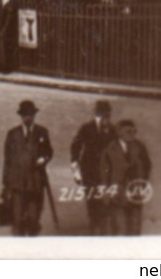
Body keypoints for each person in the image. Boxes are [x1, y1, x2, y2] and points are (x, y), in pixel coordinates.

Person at [2, 100, 55, 236]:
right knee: (18, 219)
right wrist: (6, 183)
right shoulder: (12, 134)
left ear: (34, 116)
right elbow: (7, 159)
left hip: (35, 183)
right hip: (17, 183)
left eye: (31, 115)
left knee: (33, 219)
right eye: (25, 115)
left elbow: (49, 152)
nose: (28, 118)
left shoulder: (42, 132)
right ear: (21, 116)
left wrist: (43, 159)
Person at [70, 100, 116, 235]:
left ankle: (101, 226)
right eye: (103, 115)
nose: (106, 119)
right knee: (92, 200)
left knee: (104, 200)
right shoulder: (87, 128)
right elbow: (75, 147)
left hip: (106, 172)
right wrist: (75, 170)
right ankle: (94, 225)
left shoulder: (112, 130)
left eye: (108, 115)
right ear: (97, 115)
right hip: (88, 170)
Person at [99, 119, 151, 235]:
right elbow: (104, 172)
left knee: (135, 227)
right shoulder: (109, 149)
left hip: (136, 193)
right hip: (117, 194)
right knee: (120, 228)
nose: (133, 134)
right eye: (129, 132)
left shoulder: (139, 147)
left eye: (134, 131)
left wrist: (142, 183)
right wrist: (106, 192)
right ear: (119, 133)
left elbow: (147, 165)